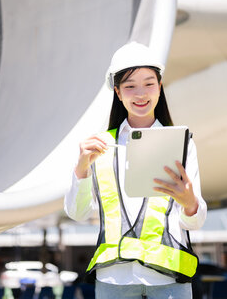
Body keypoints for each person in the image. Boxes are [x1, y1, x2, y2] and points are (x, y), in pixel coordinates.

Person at [64, 42, 207, 298]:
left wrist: (189, 203)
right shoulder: (100, 146)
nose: (140, 93)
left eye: (149, 83)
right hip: (114, 279)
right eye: (130, 86)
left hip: (169, 278)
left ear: (160, 87)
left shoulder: (182, 143)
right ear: (118, 93)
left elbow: (193, 222)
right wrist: (81, 169)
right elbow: (77, 212)